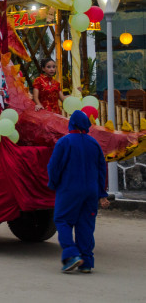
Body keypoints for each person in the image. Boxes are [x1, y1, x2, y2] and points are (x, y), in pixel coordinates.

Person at [47, 110, 109, 273]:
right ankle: (87, 262)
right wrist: (102, 193)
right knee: (86, 224)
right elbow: (102, 169)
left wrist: (53, 183)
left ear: (71, 124)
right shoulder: (94, 143)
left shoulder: (64, 142)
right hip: (91, 190)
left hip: (69, 188)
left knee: (62, 220)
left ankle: (72, 255)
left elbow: (54, 167)